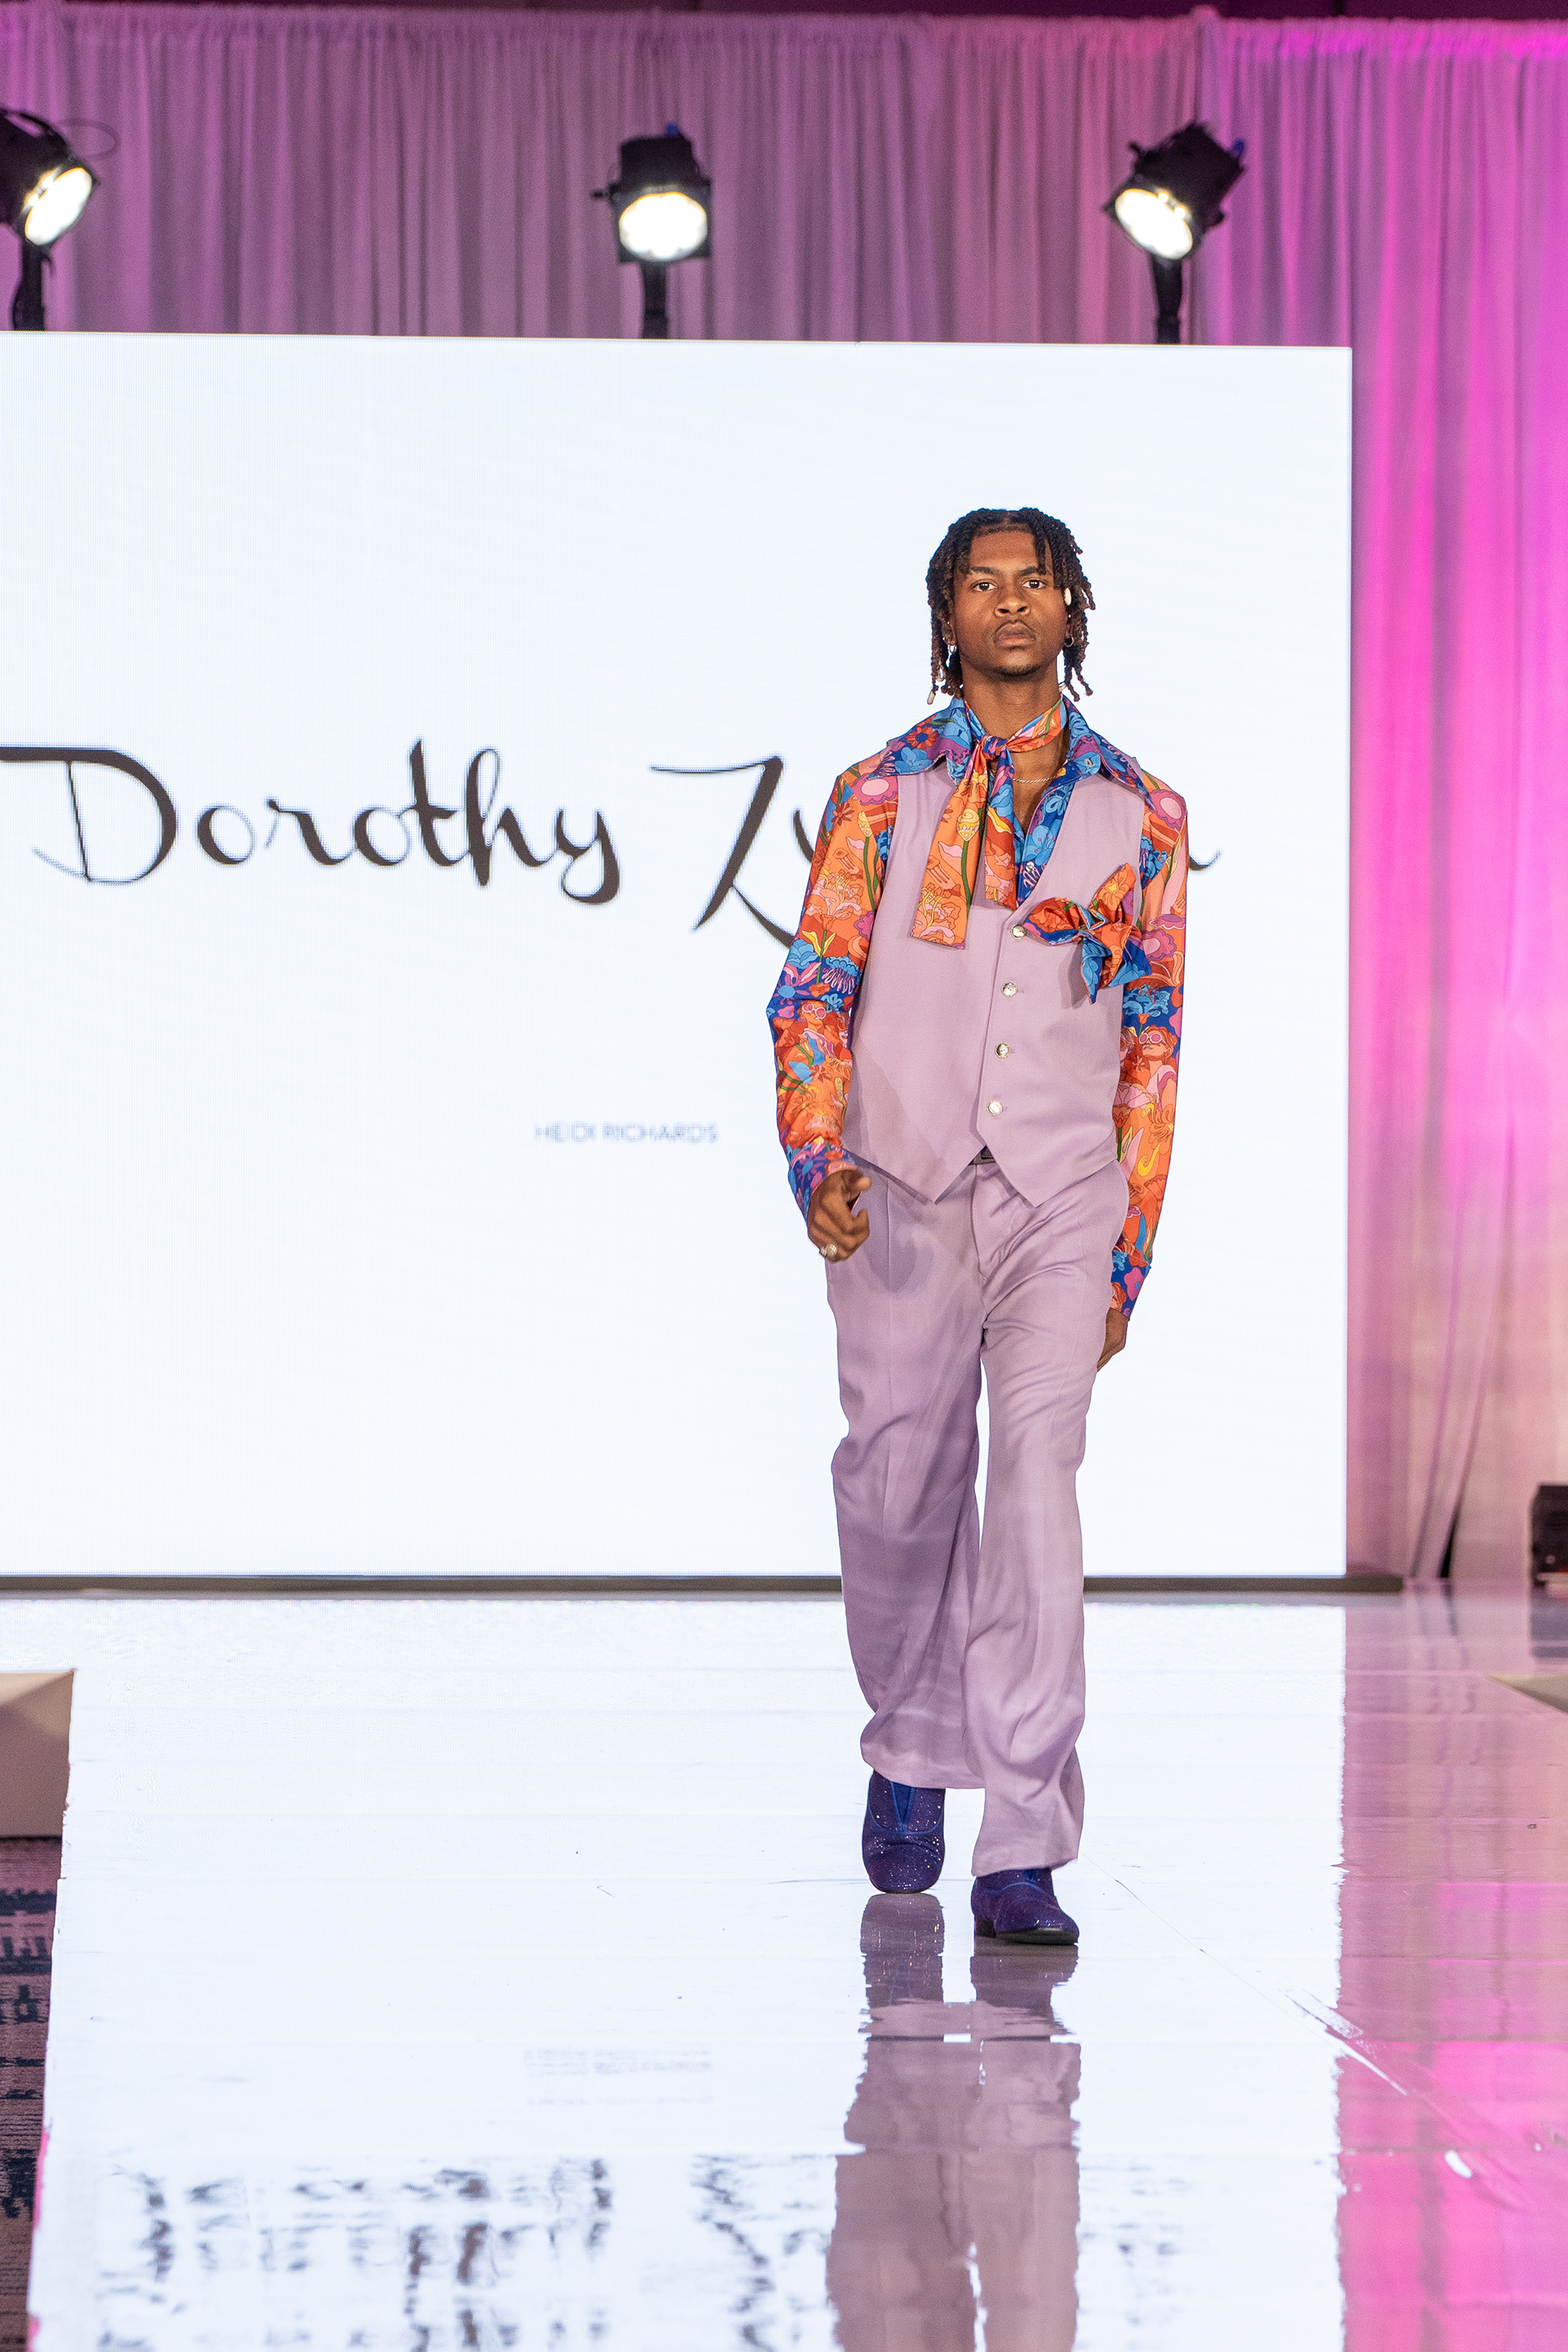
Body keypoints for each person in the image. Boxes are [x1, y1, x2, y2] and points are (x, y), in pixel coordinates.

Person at [767, 507, 1187, 1945]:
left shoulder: (1146, 812)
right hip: (901, 1178)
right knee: (895, 1484)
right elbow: (814, 989)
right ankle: (909, 1736)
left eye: (1037, 582)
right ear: (946, 616)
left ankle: (1024, 1837)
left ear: (1075, 610)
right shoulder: (878, 794)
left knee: (1038, 1491)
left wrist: (1128, 1249)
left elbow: (1153, 1041)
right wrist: (815, 1153)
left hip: (1063, 1193)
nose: (1012, 603)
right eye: (983, 583)